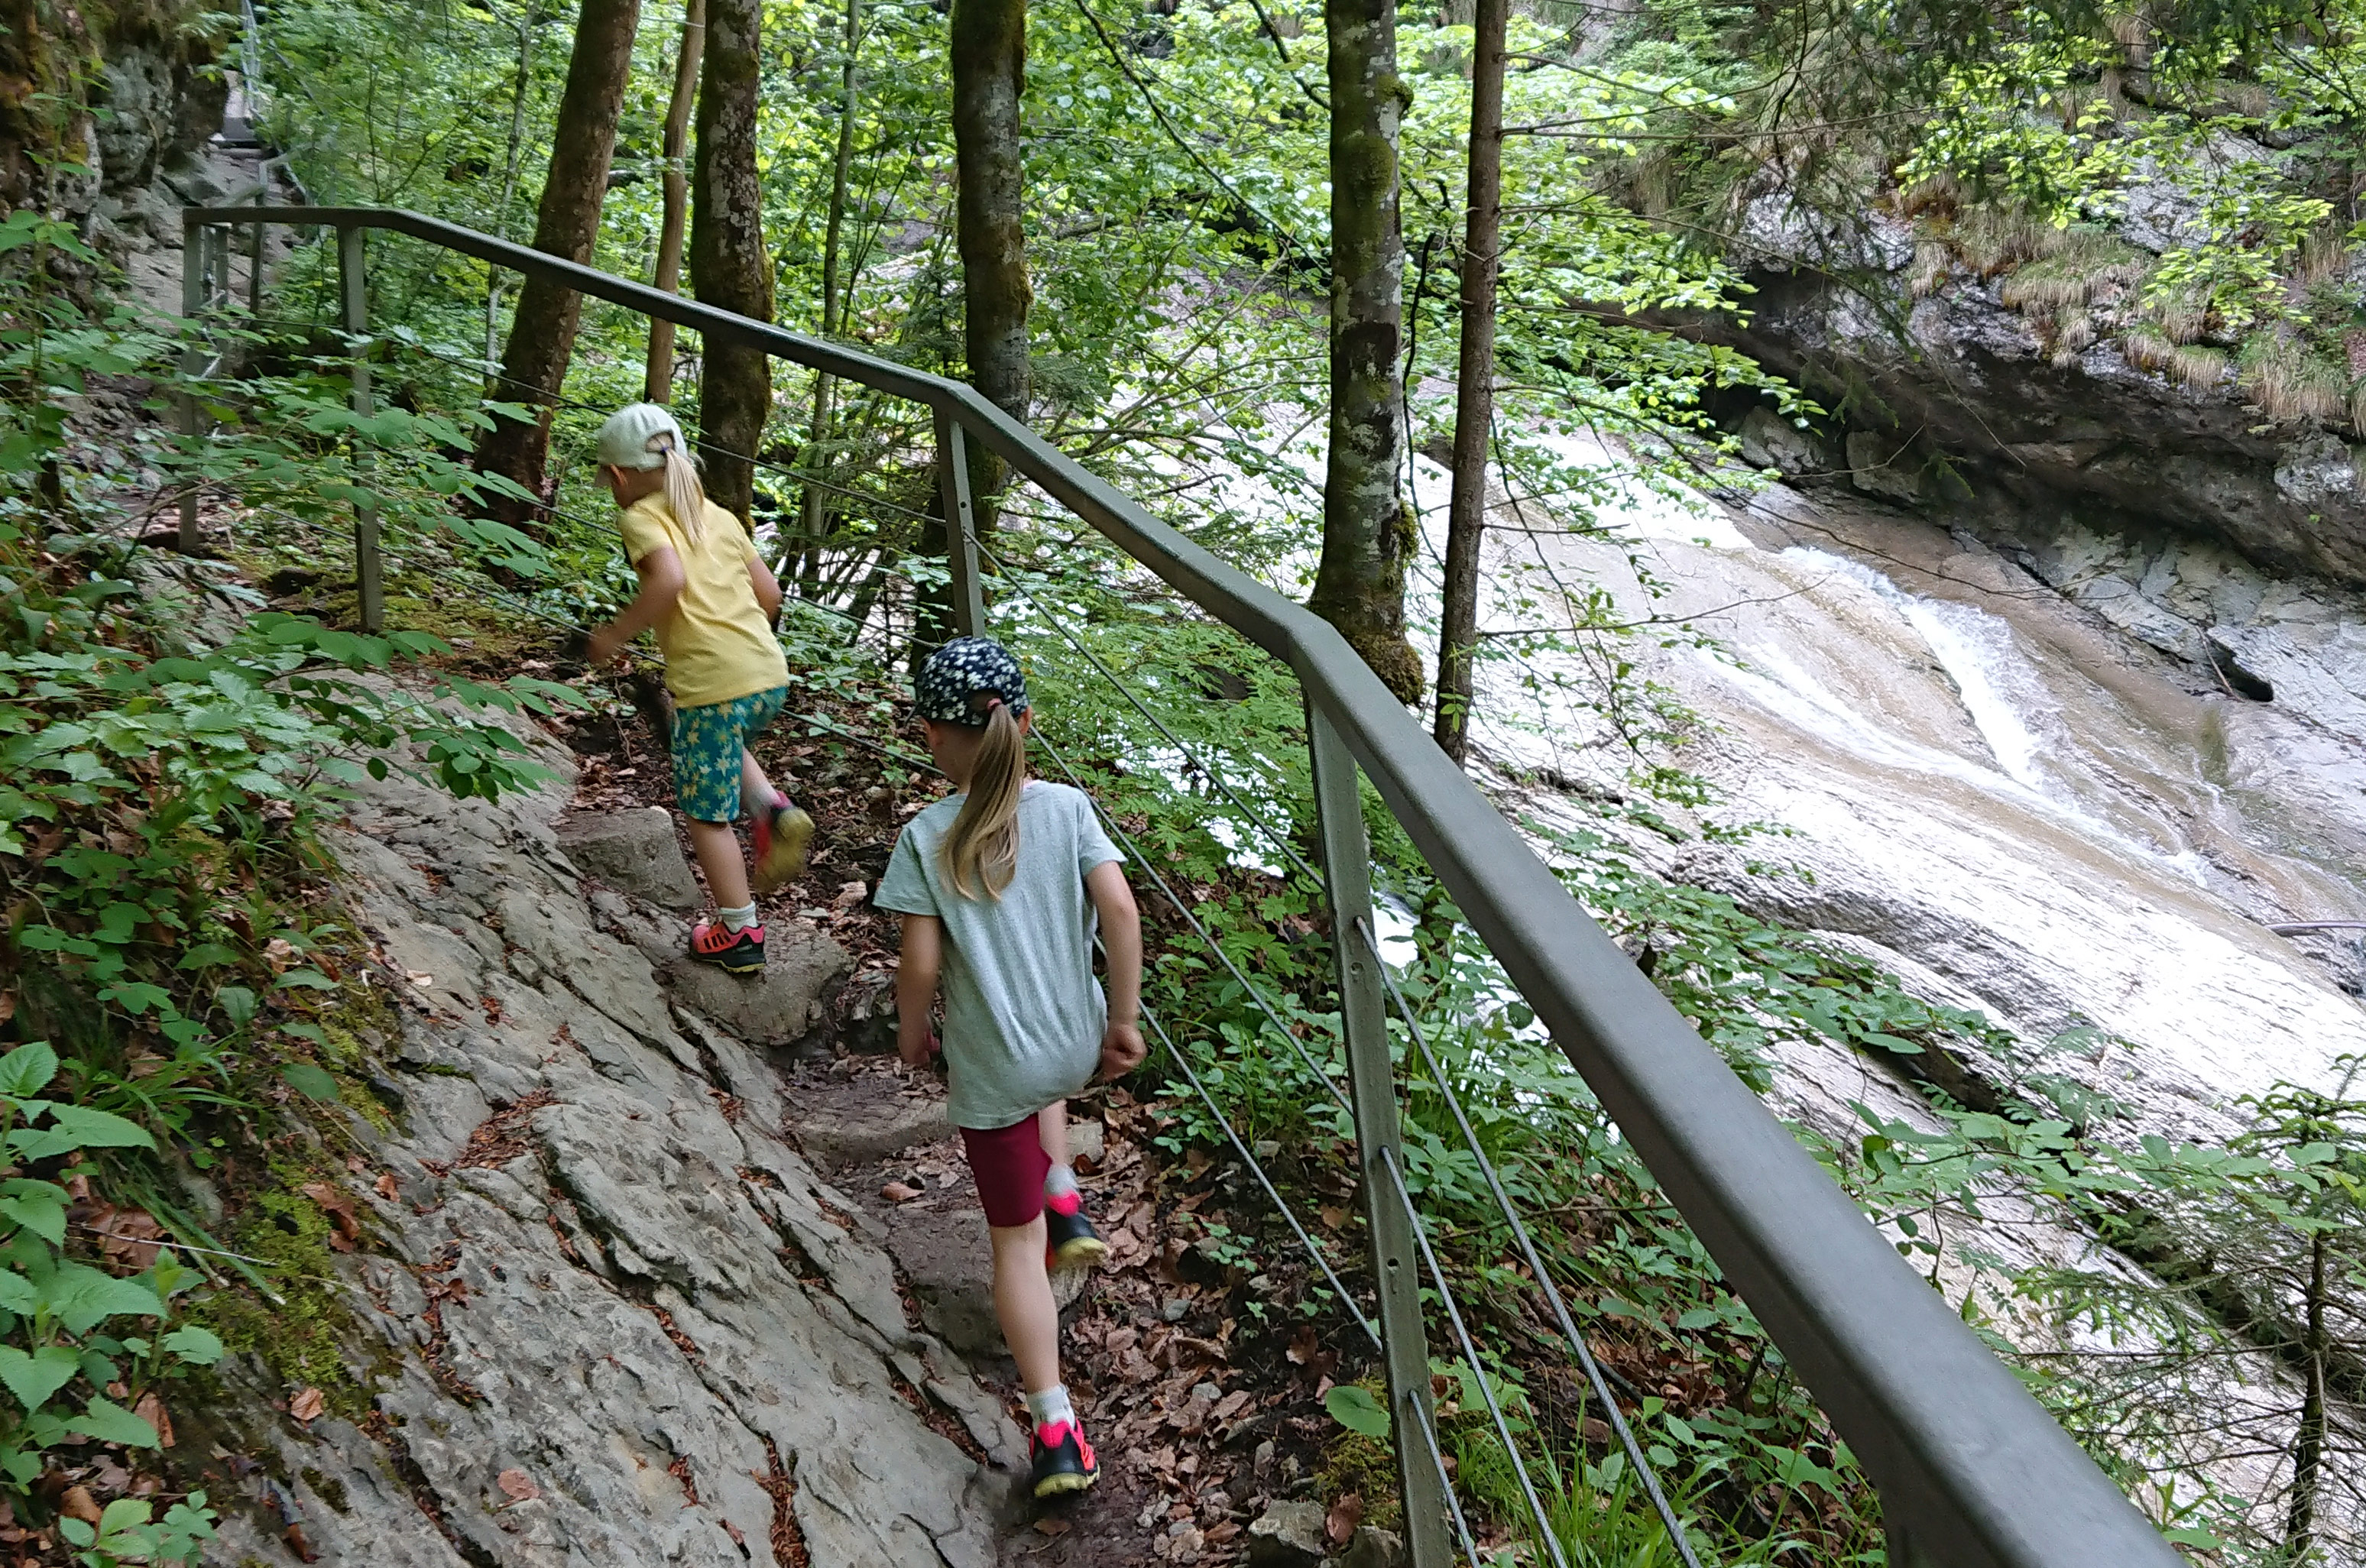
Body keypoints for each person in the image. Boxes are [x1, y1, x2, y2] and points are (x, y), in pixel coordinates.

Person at [875, 637, 1146, 1498]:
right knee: (1046, 1080)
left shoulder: (925, 837)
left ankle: (1056, 1429)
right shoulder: (1068, 808)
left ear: (930, 736)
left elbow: (920, 968)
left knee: (1016, 1250)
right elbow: (1120, 910)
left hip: (997, 1072)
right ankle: (1062, 1190)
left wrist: (912, 1034)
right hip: (1075, 1045)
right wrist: (1123, 1019)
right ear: (1024, 722)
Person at [582, 403, 813, 972]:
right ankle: (772, 811)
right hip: (768, 674)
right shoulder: (721, 516)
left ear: (619, 475)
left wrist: (613, 635)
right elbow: (771, 595)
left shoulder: (642, 517)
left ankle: (739, 931)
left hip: (712, 685)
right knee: (726, 741)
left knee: (705, 814)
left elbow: (669, 580)